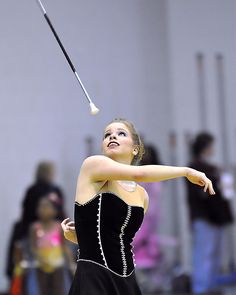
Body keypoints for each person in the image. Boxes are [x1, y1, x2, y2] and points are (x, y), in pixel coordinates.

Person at [61, 118, 215, 295]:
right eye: (107, 135)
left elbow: (116, 239)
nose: (113, 137)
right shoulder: (92, 165)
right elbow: (140, 173)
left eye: (121, 133)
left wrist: (81, 236)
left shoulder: (142, 196)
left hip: (128, 281)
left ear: (135, 148)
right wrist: (186, 171)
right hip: (94, 278)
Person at [186, 132, 233, 295]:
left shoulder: (213, 169)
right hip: (204, 217)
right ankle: (201, 288)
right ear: (204, 147)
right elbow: (202, 194)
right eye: (210, 146)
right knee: (203, 254)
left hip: (216, 217)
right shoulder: (194, 168)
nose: (213, 149)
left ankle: (211, 286)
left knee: (215, 254)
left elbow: (225, 192)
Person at [6, 161, 65, 281]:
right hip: (39, 239)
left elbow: (24, 214)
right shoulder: (51, 191)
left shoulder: (32, 190)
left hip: (49, 242)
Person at [29, 195, 73, 295]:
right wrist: (39, 257)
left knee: (58, 290)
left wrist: (71, 264)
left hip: (57, 265)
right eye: (40, 206)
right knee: (43, 290)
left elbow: (64, 246)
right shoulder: (35, 228)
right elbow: (33, 247)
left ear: (54, 210)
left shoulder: (59, 227)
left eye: (46, 206)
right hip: (41, 265)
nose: (42, 209)